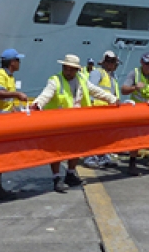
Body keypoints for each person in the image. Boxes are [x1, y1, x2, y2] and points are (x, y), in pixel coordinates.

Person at [30, 54, 118, 193]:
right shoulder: (55, 80)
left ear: (77, 70)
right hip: (57, 122)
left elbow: (97, 91)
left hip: (76, 121)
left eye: (71, 69)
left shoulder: (82, 79)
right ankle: (57, 178)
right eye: (66, 69)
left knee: (76, 148)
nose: (68, 72)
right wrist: (37, 104)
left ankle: (70, 174)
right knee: (56, 150)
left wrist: (112, 99)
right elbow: (45, 95)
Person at [0, 48, 29, 200]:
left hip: (0, 121)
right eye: (18, 60)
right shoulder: (0, 75)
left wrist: (16, 113)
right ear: (12, 62)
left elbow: (7, 103)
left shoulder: (10, 77)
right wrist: (17, 94)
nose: (20, 63)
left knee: (0, 154)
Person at [121, 52, 149, 175]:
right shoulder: (134, 73)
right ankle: (132, 163)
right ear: (141, 62)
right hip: (137, 110)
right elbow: (124, 89)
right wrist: (135, 87)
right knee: (136, 137)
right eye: (147, 63)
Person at [84, 51, 121, 168]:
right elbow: (90, 89)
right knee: (94, 135)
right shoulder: (97, 73)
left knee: (105, 136)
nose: (113, 65)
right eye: (110, 62)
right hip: (97, 108)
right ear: (105, 62)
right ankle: (90, 157)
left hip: (108, 109)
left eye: (114, 62)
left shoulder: (113, 77)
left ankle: (103, 156)